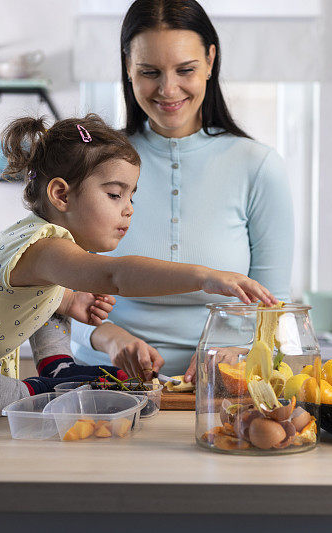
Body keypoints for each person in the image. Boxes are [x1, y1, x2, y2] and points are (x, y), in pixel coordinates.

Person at [0, 113, 276, 420]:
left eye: (131, 196)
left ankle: (57, 365)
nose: (128, 210)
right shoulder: (43, 246)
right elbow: (115, 275)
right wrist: (206, 276)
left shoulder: (51, 251)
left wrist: (66, 303)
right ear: (61, 194)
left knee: (56, 299)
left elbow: (51, 294)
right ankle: (48, 388)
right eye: (115, 194)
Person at [66, 0, 294, 383]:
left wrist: (236, 353)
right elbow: (62, 298)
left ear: (210, 60)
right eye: (149, 72)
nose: (168, 89)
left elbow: (272, 308)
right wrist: (109, 338)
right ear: (127, 67)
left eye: (185, 69)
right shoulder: (91, 164)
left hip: (224, 388)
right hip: (108, 384)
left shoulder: (259, 167)